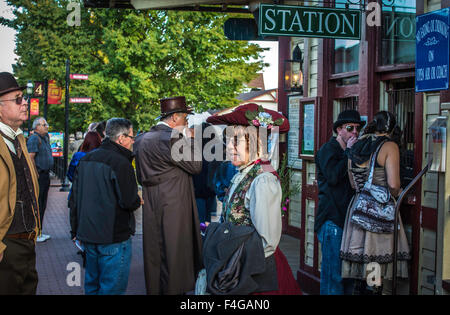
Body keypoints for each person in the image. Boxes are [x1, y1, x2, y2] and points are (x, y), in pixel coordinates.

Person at [205, 103, 301, 294]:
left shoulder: (263, 180)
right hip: (239, 263)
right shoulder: (243, 173)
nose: (229, 147)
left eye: (236, 141)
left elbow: (267, 241)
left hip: (255, 271)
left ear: (257, 142)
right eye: (229, 141)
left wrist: (236, 271)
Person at [134, 96, 203, 295]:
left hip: (152, 200)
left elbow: (141, 175)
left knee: (155, 251)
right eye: (185, 120)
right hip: (174, 202)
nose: (187, 124)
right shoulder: (172, 138)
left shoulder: (142, 138)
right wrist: (191, 139)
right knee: (175, 251)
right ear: (174, 118)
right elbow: (196, 166)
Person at [340, 111, 411, 294]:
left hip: (357, 208)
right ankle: (373, 290)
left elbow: (352, 180)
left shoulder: (359, 143)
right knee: (375, 259)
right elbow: (394, 184)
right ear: (393, 128)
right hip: (377, 211)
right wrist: (400, 192)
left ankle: (362, 289)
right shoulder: (389, 146)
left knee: (362, 263)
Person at [69, 118, 142, 295]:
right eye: (132, 137)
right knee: (111, 288)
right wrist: (137, 200)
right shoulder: (121, 163)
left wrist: (75, 231)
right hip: (113, 236)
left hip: (88, 235)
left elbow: (75, 200)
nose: (133, 141)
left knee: (92, 286)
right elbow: (128, 201)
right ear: (122, 138)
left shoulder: (87, 159)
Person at [314, 109, 365, 295]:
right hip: (332, 221)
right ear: (339, 130)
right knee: (333, 276)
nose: (354, 133)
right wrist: (349, 152)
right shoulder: (328, 150)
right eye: (350, 128)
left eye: (357, 129)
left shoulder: (352, 152)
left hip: (349, 220)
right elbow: (333, 177)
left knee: (347, 276)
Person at [0, 72, 40, 294]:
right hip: (6, 245)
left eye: (23, 98)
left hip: (26, 242)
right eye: (17, 99)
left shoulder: (19, 139)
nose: (25, 102)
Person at [27, 117, 54, 242]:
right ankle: (36, 232)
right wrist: (35, 173)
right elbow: (30, 157)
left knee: (42, 204)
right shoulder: (34, 138)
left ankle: (40, 231)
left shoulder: (45, 138)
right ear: (37, 126)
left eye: (46, 124)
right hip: (40, 175)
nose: (46, 126)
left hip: (45, 175)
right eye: (44, 124)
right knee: (38, 204)